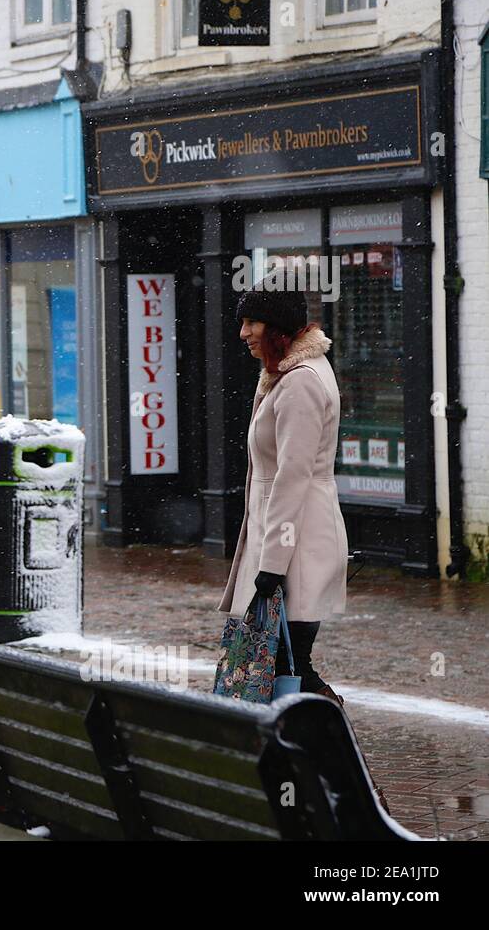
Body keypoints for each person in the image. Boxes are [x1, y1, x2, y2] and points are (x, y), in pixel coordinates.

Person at [219, 285, 389, 812]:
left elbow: (291, 478)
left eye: (253, 323)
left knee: (284, 665)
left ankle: (338, 770)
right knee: (278, 665)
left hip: (295, 546)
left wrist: (270, 568)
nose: (244, 333)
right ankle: (309, 774)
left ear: (281, 330)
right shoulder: (285, 376)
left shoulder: (300, 384)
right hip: (285, 541)